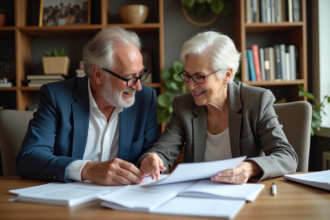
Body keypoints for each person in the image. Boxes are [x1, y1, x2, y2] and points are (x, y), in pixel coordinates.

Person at [139, 31, 298, 184]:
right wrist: (154, 158)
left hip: (245, 194)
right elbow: (163, 150)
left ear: (227, 75)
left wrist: (250, 168)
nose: (191, 86)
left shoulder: (256, 101)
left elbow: (287, 157)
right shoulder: (183, 105)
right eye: (187, 76)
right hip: (197, 196)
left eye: (200, 77)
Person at [16, 26, 159, 186]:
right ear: (97, 74)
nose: (138, 86)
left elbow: (151, 150)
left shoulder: (145, 98)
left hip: (123, 201)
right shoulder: (56, 96)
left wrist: (151, 158)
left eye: (141, 74)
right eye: (130, 77)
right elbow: (29, 158)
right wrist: (88, 170)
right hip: (67, 201)